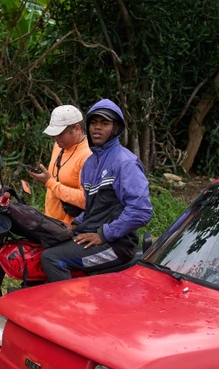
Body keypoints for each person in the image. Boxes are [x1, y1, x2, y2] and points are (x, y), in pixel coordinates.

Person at [41, 99, 153, 282]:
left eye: (105, 123)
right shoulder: (91, 164)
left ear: (116, 128)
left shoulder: (125, 163)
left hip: (117, 245)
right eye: (94, 122)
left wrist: (104, 234)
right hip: (93, 234)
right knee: (44, 245)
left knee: (51, 258)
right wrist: (75, 224)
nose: (97, 128)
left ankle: (69, 309)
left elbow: (141, 210)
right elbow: (93, 207)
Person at [26, 104, 92, 226]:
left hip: (70, 228)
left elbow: (86, 199)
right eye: (53, 134)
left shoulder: (88, 156)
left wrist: (49, 182)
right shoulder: (59, 145)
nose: (55, 138)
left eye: (60, 133)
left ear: (77, 128)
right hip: (50, 220)